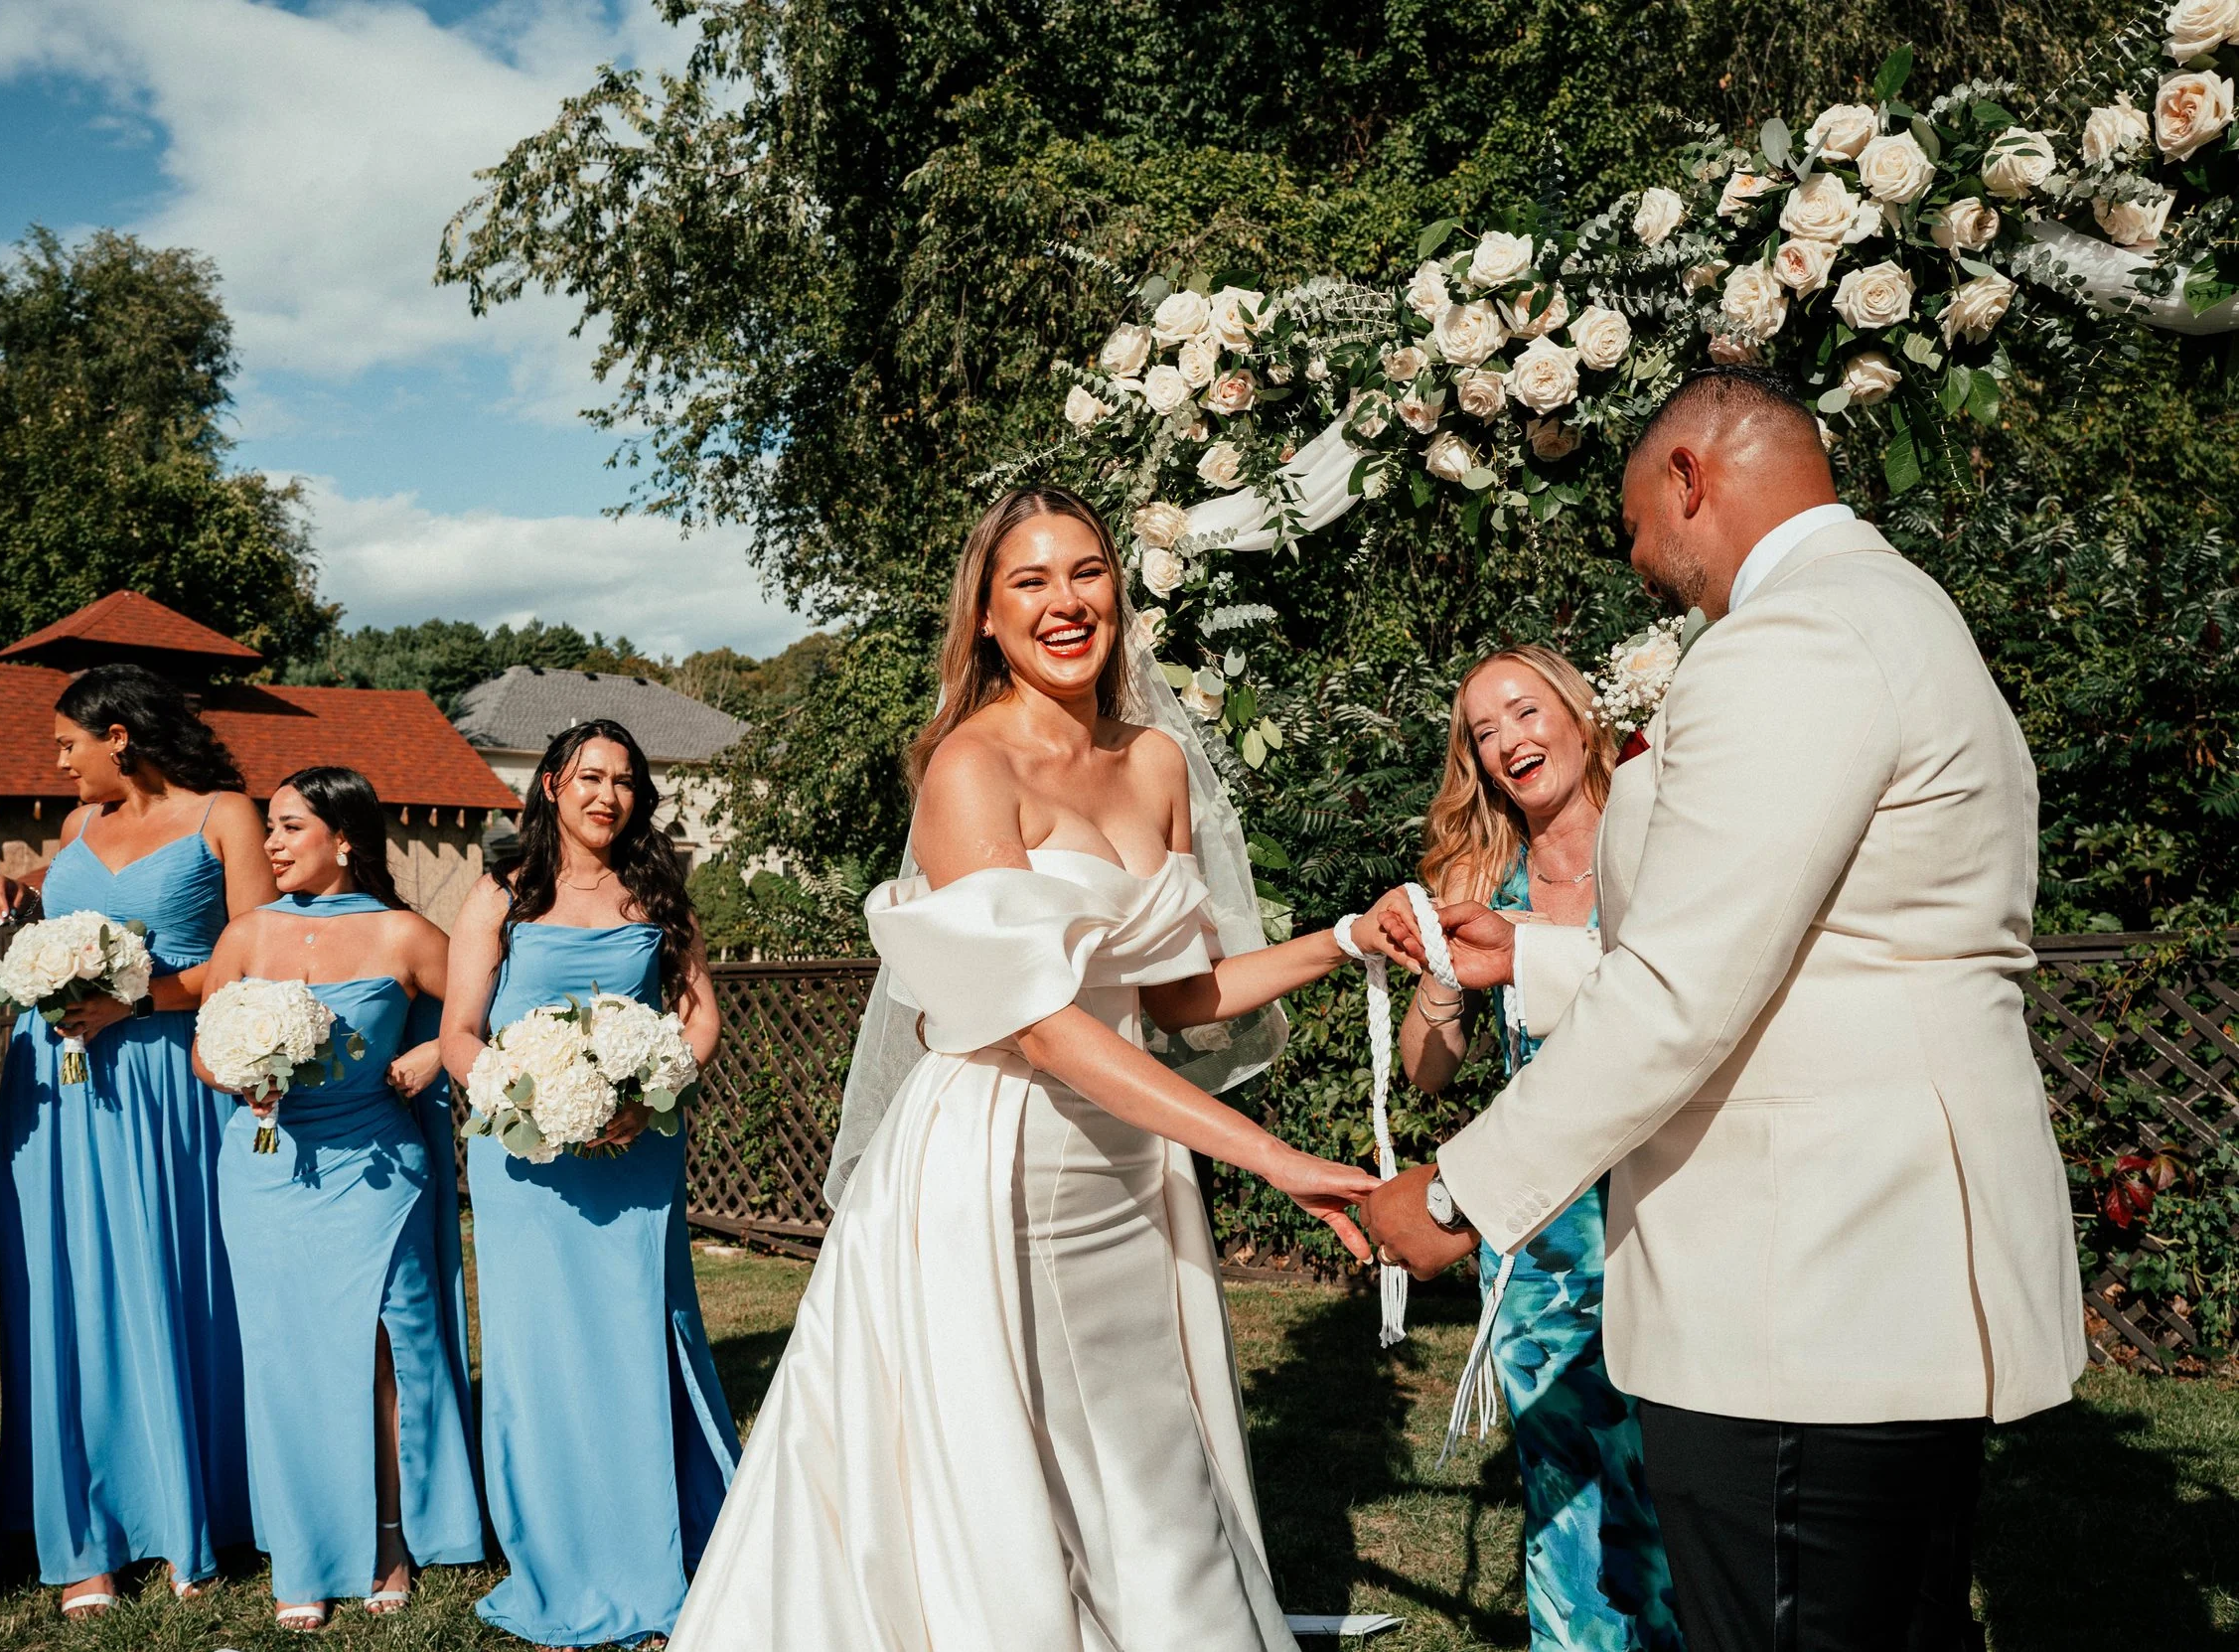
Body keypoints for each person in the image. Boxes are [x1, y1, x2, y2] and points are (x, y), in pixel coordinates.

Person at [1369, 366, 2085, 1651]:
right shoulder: (1896, 615)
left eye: (1638, 520)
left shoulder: (1793, 639)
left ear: (1692, 476)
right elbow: (1793, 970)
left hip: (1805, 1296)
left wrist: (1451, 1196)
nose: (1643, 557)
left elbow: (1685, 994)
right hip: (1868, 1286)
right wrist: (1522, 964)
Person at [672, 484, 1411, 1652]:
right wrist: (1272, 1158)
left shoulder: (1157, 762)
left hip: (1130, 1159)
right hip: (996, 1154)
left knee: (1149, 1442)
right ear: (985, 617)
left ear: (1118, 590)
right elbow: (1041, 1026)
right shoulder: (968, 771)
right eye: (1030, 580)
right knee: (1001, 1454)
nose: (1064, 602)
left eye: (1086, 572)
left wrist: (1343, 937)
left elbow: (1177, 998)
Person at [0, 663, 278, 1617]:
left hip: (164, 1079)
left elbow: (255, 952)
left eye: (68, 742)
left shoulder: (223, 815)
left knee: (179, 1277)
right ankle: (83, 1534)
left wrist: (137, 997)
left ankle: (198, 1507)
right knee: (67, 1288)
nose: (57, 762)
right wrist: (9, 893)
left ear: (119, 735)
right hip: (56, 1087)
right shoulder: (72, 833)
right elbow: (57, 904)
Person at [1397, 646, 1680, 1652]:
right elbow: (1427, 1070)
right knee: (1561, 1481)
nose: (1510, 740)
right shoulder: (1484, 873)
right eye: (1484, 730)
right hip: (1543, 1239)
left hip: (1664, 1206)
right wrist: (1439, 972)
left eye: (1524, 711)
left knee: (1670, 1472)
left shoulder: (1659, 838)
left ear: (1577, 712)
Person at [438, 718, 738, 1649]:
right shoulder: (502, 894)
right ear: (553, 788)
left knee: (635, 1339)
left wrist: (644, 1103)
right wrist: (540, 1104)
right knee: (542, 1353)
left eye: (623, 780)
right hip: (525, 1161)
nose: (606, 794)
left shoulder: (657, 890)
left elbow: (699, 1017)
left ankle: (658, 1558)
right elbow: (458, 1032)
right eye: (588, 776)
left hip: (637, 1150)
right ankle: (560, 1558)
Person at [196, 767, 484, 1632]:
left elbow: (487, 1006)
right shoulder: (245, 934)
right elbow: (204, 1048)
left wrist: (435, 1054)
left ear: (344, 836)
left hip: (374, 1170)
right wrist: (238, 1076)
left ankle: (391, 1533)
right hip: (266, 1169)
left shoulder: (403, 933)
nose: (272, 843)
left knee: (384, 1348)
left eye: (289, 827)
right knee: (284, 1357)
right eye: (271, 828)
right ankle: (302, 1547)